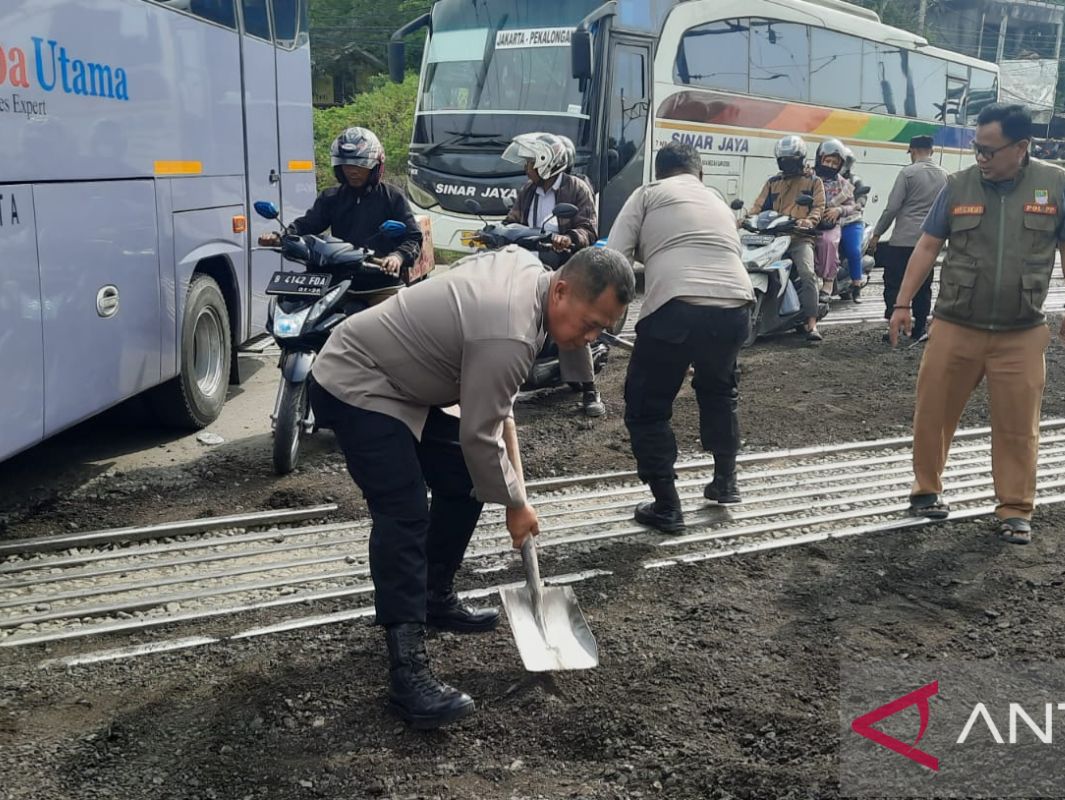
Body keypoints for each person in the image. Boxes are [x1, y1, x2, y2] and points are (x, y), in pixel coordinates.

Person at [309, 246, 634, 728]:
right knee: (404, 512)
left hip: (405, 384)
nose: (589, 337)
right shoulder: (510, 329)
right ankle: (407, 673)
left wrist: (514, 495)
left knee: (463, 480)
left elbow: (500, 413)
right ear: (562, 289)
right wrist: (515, 504)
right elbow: (480, 435)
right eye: (588, 324)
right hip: (358, 380)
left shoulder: (533, 277)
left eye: (601, 331)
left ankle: (433, 596)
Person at [889, 103, 1065, 546]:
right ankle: (926, 491)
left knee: (1019, 425)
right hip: (955, 325)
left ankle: (1015, 509)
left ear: (1021, 147)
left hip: (1021, 331)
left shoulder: (1055, 184)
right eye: (976, 149)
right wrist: (902, 303)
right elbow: (926, 246)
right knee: (933, 414)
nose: (980, 158)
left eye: (989, 151)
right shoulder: (957, 185)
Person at [606, 141, 755, 532]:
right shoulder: (718, 202)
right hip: (736, 307)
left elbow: (615, 260)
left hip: (675, 308)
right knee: (719, 389)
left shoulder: (648, 194)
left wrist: (604, 317)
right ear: (699, 173)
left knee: (647, 406)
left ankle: (667, 506)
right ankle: (726, 482)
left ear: (661, 172)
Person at [501, 132, 606, 417]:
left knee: (569, 320)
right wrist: (496, 231)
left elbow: (588, 228)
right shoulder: (528, 191)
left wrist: (568, 238)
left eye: (531, 162)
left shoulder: (576, 188)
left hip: (564, 265)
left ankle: (589, 390)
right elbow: (512, 220)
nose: (527, 167)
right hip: (526, 264)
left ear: (547, 162)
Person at [259, 127, 422, 293]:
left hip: (378, 281)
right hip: (336, 279)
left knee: (387, 317)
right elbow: (308, 224)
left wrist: (397, 257)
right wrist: (281, 237)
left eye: (360, 164)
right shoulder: (331, 197)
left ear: (375, 166)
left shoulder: (392, 197)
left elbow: (413, 237)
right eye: (346, 164)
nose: (352, 171)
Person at [868, 135, 949, 342]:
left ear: (912, 151)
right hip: (929, 240)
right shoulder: (945, 176)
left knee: (894, 282)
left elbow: (892, 208)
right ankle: (920, 328)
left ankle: (897, 326)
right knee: (923, 284)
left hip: (902, 240)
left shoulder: (907, 173)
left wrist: (876, 234)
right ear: (931, 151)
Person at [748, 135, 827, 341]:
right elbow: (758, 206)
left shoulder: (813, 181)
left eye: (791, 160)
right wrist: (746, 219)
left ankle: (811, 322)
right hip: (773, 237)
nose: (787, 165)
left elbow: (818, 206)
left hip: (799, 238)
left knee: (808, 273)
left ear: (800, 159)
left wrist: (809, 220)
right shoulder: (773, 182)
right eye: (784, 160)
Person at [812, 139, 856, 303]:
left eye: (834, 163)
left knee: (827, 241)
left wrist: (838, 210)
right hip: (807, 222)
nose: (830, 165)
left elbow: (852, 206)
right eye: (827, 161)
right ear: (820, 159)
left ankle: (828, 282)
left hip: (828, 225)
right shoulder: (809, 176)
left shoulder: (844, 184)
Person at [839, 148, 869, 302]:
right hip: (830, 221)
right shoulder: (824, 179)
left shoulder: (854, 180)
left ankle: (856, 286)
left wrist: (858, 204)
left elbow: (862, 197)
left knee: (853, 251)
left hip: (851, 221)